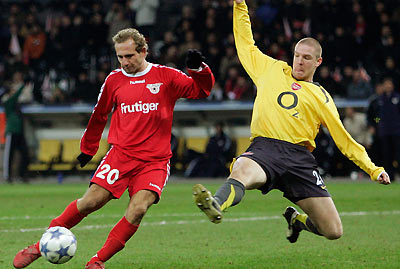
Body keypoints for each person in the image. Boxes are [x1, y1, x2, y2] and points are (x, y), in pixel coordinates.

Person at [13, 28, 214, 269]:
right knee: (90, 202)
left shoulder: (165, 76)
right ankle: (38, 246)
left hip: (154, 162)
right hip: (120, 156)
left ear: (143, 51)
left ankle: (97, 261)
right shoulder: (114, 80)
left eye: (129, 56)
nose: (124, 62)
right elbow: (99, 115)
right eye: (120, 57)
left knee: (138, 208)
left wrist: (198, 70)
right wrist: (88, 147)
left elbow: (201, 90)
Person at [193, 0, 390, 246]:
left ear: (318, 62)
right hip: (265, 149)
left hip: (299, 160)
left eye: (306, 58)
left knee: (333, 230)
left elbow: (344, 140)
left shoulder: (322, 97)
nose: (299, 61)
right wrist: (239, 5)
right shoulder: (271, 70)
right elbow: (245, 43)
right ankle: (215, 204)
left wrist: (373, 169)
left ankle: (297, 221)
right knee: (242, 170)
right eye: (297, 56)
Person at [2, 76, 32, 183]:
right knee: (9, 155)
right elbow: (15, 96)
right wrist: (23, 85)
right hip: (11, 132)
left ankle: (23, 175)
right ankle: (7, 176)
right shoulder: (8, 102)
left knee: (25, 154)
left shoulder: (16, 104)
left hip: (19, 132)